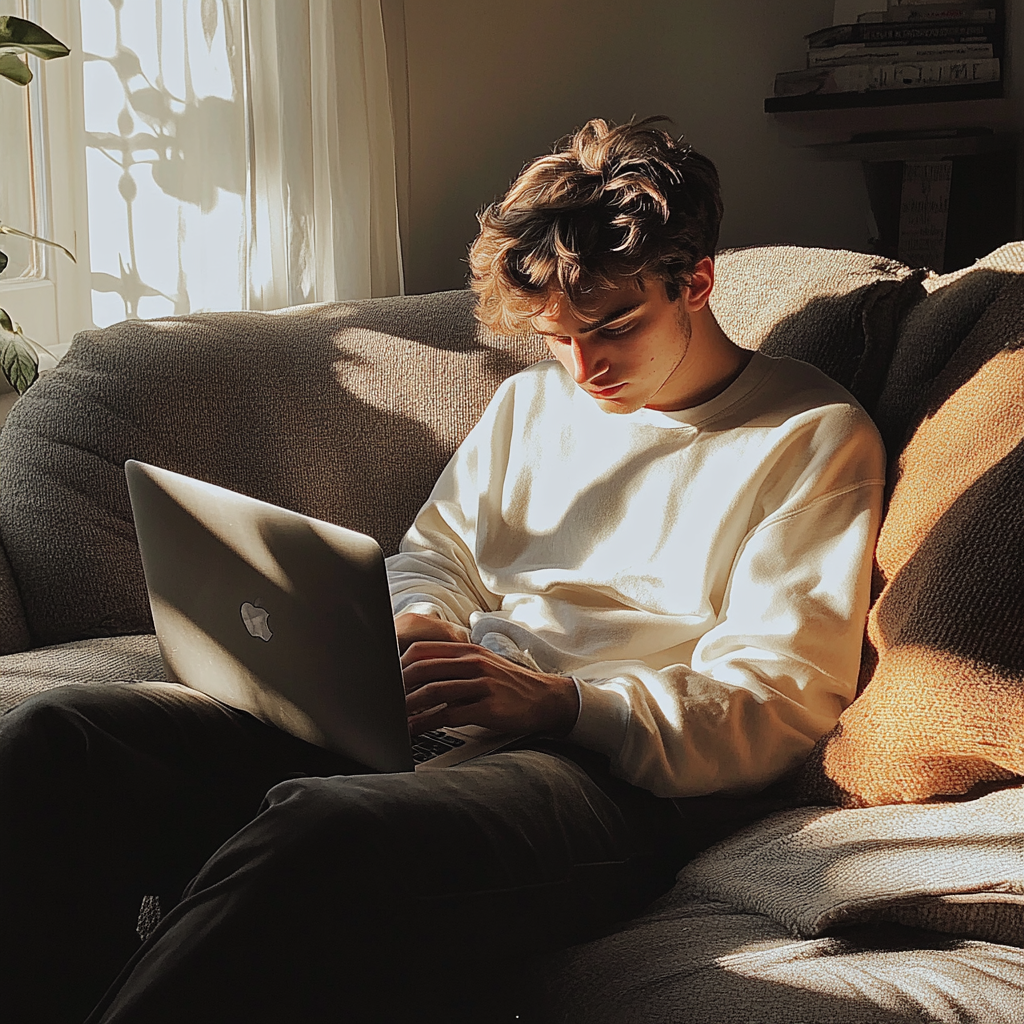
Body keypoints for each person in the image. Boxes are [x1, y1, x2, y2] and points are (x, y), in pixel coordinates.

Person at [0, 117, 885, 1024]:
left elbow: (779, 699)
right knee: (61, 734)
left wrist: (564, 705)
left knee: (323, 827)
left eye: (613, 325)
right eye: (554, 335)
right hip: (450, 716)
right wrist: (418, 621)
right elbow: (436, 556)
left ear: (696, 281)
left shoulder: (811, 438)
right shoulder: (534, 401)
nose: (583, 365)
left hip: (610, 775)